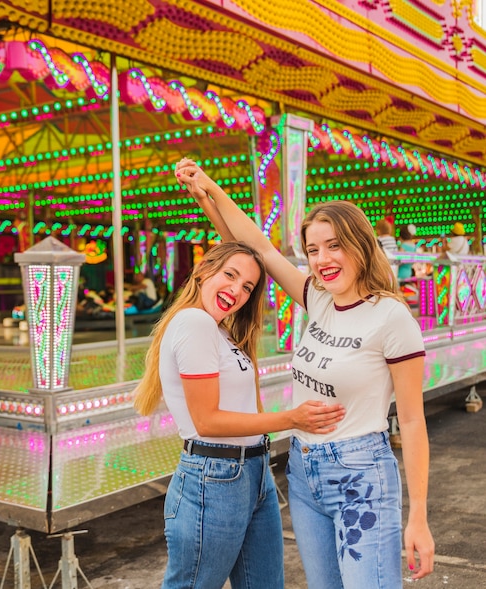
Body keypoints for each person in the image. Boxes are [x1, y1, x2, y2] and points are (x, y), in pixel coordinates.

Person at [175, 158, 435, 588]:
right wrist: (209, 191)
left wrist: (419, 517)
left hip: (361, 475)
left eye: (334, 245)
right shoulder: (319, 299)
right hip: (303, 471)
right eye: (313, 250)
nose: (322, 259)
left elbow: (411, 419)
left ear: (361, 245)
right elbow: (260, 249)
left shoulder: (392, 318)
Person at [134, 241, 346, 589]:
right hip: (214, 478)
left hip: (253, 473)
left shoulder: (221, 331)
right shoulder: (194, 323)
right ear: (203, 271)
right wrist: (292, 419)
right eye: (229, 275)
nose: (236, 290)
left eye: (247, 286)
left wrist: (211, 199)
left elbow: (248, 250)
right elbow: (208, 421)